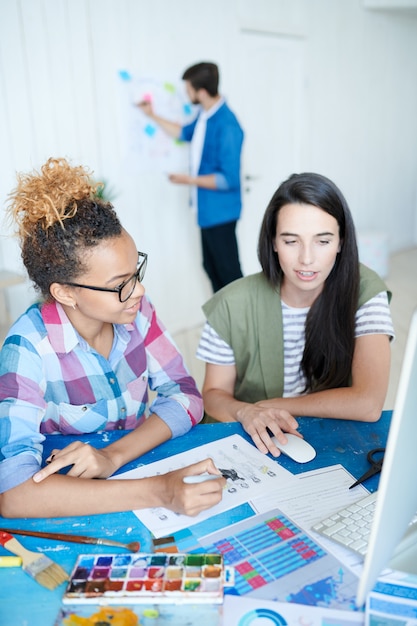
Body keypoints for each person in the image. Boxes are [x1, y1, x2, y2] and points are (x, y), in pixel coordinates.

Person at [0, 157, 225, 520]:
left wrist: (113, 456)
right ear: (65, 293)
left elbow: (185, 397)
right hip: (74, 502)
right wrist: (159, 490)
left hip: (133, 468)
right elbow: (13, 493)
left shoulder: (136, 311)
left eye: (135, 271)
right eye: (119, 285)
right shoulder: (26, 348)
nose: (138, 290)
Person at [196, 172, 394, 456]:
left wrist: (267, 407)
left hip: (332, 441)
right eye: (291, 241)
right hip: (255, 443)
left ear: (341, 242)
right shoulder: (230, 303)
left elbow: (368, 403)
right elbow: (213, 396)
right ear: (273, 242)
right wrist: (246, 414)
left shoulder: (365, 291)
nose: (307, 259)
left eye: (322, 241)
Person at [137, 61, 244, 293]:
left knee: (229, 273)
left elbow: (229, 179)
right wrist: (152, 115)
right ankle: (225, 322)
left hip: (221, 213)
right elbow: (183, 132)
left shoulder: (227, 125)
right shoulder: (204, 115)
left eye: (189, 89)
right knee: (211, 267)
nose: (187, 94)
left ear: (201, 91)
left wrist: (189, 180)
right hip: (207, 212)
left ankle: (245, 326)